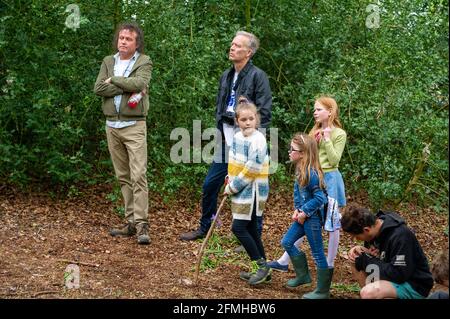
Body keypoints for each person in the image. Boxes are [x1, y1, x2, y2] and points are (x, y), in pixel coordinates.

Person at [180, 31, 272, 241]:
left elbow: (264, 113)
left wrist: (254, 139)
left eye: (237, 46)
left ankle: (252, 237)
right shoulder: (226, 75)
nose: (232, 48)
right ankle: (206, 228)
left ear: (248, 52)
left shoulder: (258, 76)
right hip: (225, 140)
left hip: (247, 142)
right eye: (232, 44)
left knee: (250, 190)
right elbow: (220, 107)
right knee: (210, 185)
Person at [268, 96, 346, 271]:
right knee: (306, 216)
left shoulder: (339, 134)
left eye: (318, 109)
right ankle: (284, 261)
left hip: (331, 180)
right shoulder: (313, 132)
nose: (315, 112)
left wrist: (326, 139)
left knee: (333, 224)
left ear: (330, 112)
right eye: (314, 109)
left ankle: (330, 264)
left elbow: (334, 160)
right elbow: (307, 156)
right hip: (312, 177)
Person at [94, 22, 152, 245]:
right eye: (121, 38)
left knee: (138, 175)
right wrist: (127, 86)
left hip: (134, 125)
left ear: (136, 43)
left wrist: (115, 80)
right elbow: (98, 88)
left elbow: (141, 82)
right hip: (112, 125)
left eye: (128, 39)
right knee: (123, 176)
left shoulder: (144, 61)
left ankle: (142, 225)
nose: (123, 41)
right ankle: (130, 222)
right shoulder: (109, 61)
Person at [223, 97, 270, 285]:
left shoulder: (258, 140)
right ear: (237, 121)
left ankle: (261, 266)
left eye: (251, 118)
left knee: (239, 228)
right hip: (240, 188)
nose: (248, 122)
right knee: (250, 228)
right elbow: (234, 162)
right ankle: (263, 269)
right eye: (243, 119)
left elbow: (252, 168)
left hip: (253, 190)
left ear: (256, 119)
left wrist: (233, 186)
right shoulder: (237, 137)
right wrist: (229, 178)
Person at [341, 206, 434, 299]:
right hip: (392, 275)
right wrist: (370, 256)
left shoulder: (400, 236)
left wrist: (368, 261)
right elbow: (378, 260)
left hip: (413, 284)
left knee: (369, 292)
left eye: (357, 237)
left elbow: (398, 275)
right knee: (355, 254)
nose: (356, 240)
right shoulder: (374, 231)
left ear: (366, 230)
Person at [279, 133, 330, 299]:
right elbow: (298, 194)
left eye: (292, 149)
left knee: (317, 253)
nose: (289, 152)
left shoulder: (312, 174)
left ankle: (322, 291)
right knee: (286, 242)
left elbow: (320, 198)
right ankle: (303, 276)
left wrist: (305, 211)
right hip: (303, 217)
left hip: (313, 219)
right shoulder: (300, 170)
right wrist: (297, 209)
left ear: (302, 153)